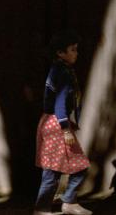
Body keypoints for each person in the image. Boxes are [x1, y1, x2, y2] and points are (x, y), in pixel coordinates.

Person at [33, 30, 93, 215]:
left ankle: (68, 202)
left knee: (75, 166)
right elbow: (59, 103)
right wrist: (65, 128)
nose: (77, 53)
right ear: (60, 53)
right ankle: (43, 209)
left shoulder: (59, 69)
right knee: (53, 171)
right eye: (73, 49)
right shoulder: (63, 73)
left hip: (52, 122)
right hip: (56, 125)